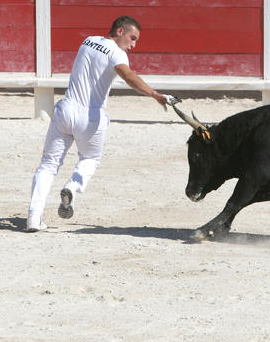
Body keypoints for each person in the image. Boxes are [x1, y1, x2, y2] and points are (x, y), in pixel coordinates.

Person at [26, 15, 174, 232]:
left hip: (66, 110)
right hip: (90, 117)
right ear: (120, 31)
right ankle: (72, 187)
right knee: (90, 159)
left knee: (48, 165)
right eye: (132, 38)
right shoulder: (117, 53)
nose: (134, 45)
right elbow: (128, 76)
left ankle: (33, 218)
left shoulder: (87, 41)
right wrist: (154, 94)